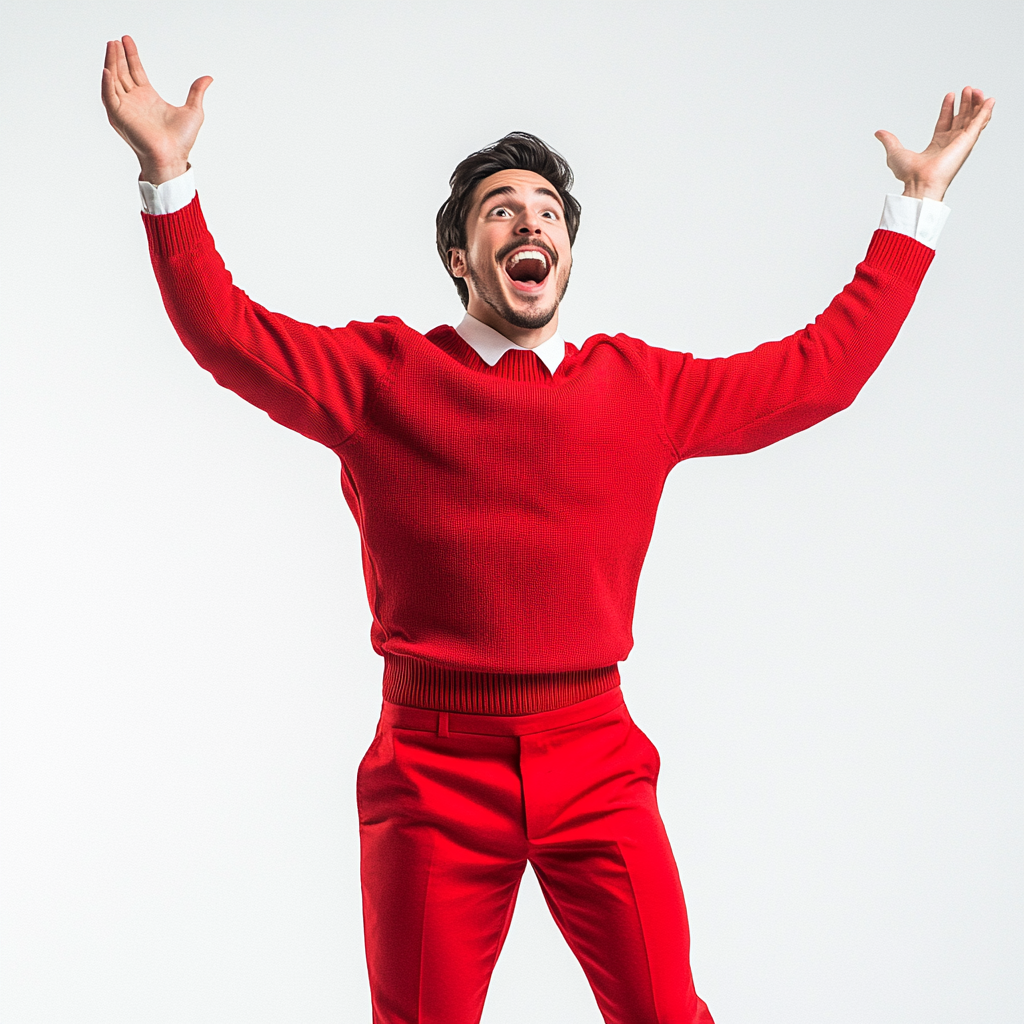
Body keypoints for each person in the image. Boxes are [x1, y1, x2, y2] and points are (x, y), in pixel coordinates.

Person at [101, 34, 993, 1024]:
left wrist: (912, 211)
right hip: (432, 766)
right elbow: (225, 331)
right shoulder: (382, 379)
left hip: (596, 756)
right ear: (460, 257)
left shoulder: (638, 389)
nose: (530, 221)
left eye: (548, 212)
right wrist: (167, 173)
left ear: (565, 250)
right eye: (500, 211)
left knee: (665, 1012)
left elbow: (818, 372)